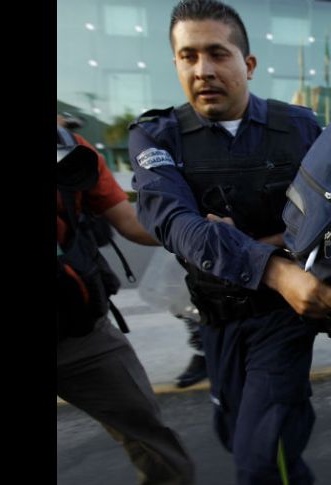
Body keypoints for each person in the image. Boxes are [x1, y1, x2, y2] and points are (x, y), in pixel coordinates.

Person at [128, 1, 331, 483]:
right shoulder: (156, 136)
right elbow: (177, 225)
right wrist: (274, 260)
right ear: (176, 63)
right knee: (235, 433)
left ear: (247, 64)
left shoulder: (300, 129)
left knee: (262, 457)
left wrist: (242, 247)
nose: (203, 69)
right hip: (217, 320)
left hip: (282, 318)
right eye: (188, 56)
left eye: (217, 54)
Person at [57, 122, 195, 484]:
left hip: (80, 333)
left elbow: (130, 220)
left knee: (155, 444)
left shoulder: (69, 146)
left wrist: (197, 232)